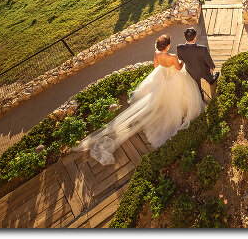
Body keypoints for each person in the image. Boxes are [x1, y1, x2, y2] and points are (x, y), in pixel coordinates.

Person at [74, 34, 206, 165]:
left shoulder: (156, 53)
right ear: (168, 46)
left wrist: (166, 68)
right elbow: (179, 68)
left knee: (164, 98)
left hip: (163, 78)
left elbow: (156, 66)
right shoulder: (172, 57)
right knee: (179, 95)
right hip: (174, 79)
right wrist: (183, 61)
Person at [177, 27, 219, 102]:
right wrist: (212, 67)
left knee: (197, 87)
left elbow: (180, 58)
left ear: (185, 37)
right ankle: (211, 80)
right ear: (195, 37)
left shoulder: (179, 48)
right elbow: (208, 60)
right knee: (208, 75)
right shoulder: (203, 49)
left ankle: (201, 97)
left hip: (191, 72)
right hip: (203, 70)